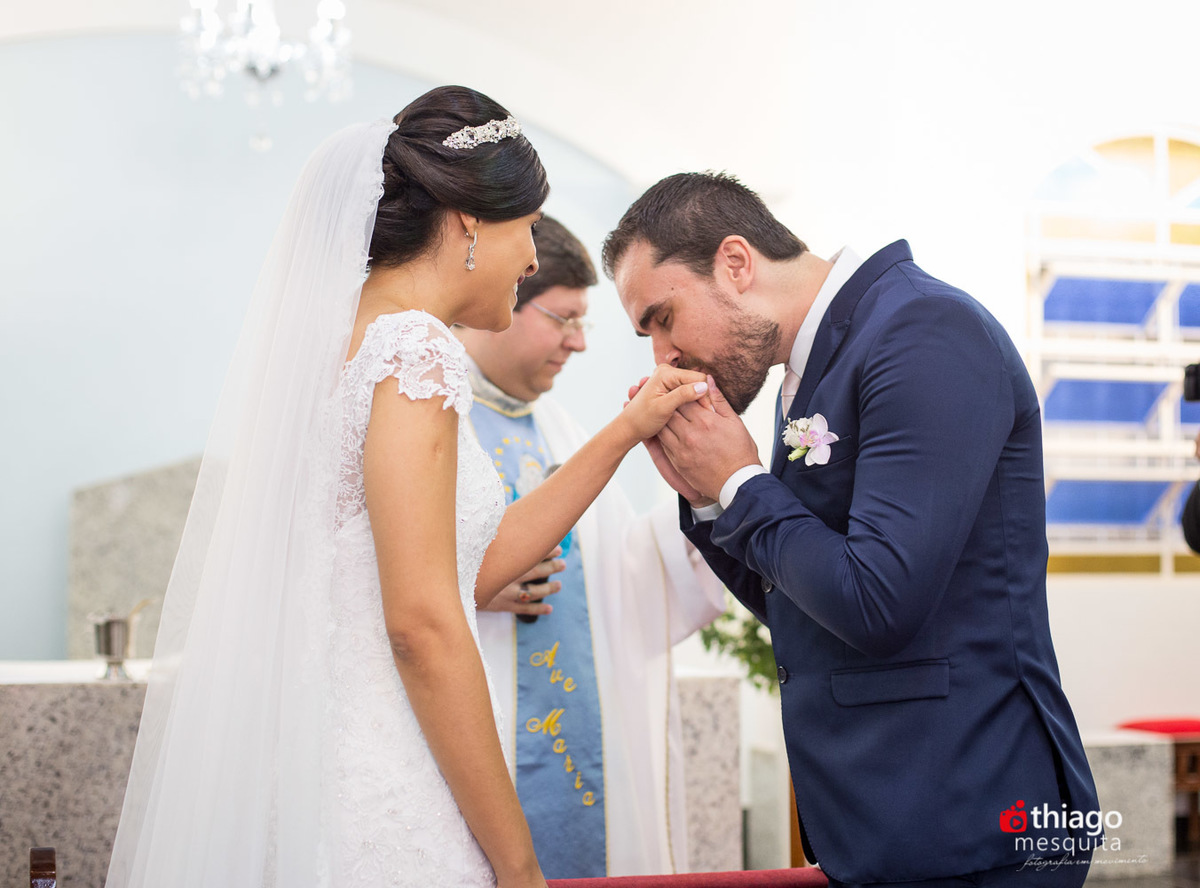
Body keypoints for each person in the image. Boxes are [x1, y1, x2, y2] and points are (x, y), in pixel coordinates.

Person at [105, 87, 709, 888]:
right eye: (525, 229)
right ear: (468, 224)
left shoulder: (342, 337)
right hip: (387, 771)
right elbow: (423, 621)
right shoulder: (413, 350)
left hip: (329, 757)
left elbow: (475, 572)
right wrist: (518, 859)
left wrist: (625, 434)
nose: (532, 259)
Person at [602, 172, 1101, 888]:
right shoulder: (806, 369)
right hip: (881, 819)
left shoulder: (926, 330)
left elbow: (878, 602)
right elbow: (801, 607)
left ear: (736, 264)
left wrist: (742, 483)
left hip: (972, 812)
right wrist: (710, 498)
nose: (662, 355)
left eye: (662, 317)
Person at [457, 216, 724, 877]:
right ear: (505, 299)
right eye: (564, 318)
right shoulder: (438, 418)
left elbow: (621, 578)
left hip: (575, 746)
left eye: (585, 323)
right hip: (469, 738)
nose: (577, 343)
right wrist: (472, 586)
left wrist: (705, 502)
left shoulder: (563, 430)